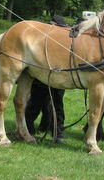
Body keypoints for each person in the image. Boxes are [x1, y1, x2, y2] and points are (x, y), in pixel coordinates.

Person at [24, 14, 67, 143]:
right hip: (41, 78)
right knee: (35, 105)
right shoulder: (41, 39)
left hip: (58, 79)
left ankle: (57, 134)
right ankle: (27, 129)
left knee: (57, 106)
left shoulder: (64, 41)